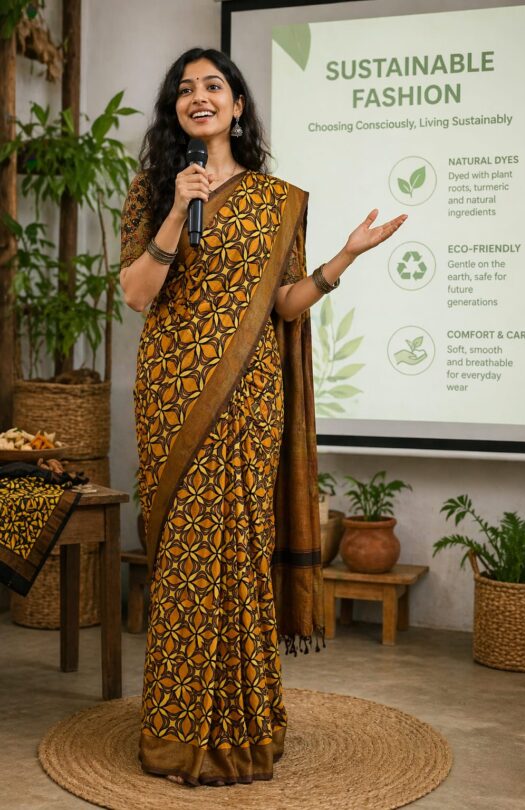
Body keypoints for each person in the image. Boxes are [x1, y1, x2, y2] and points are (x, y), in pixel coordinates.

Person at [119, 46, 406, 788]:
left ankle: (243, 730)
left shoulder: (278, 202)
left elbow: (283, 304)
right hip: (171, 396)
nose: (199, 96)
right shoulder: (153, 189)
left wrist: (343, 258)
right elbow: (138, 294)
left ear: (238, 105)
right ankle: (176, 735)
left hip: (249, 399)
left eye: (213, 85)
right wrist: (178, 210)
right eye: (185, 88)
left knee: (241, 554)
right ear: (176, 109)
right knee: (184, 560)